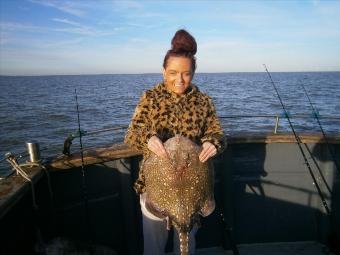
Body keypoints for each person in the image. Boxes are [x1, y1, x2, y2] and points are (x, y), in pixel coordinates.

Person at [124, 29, 225, 255]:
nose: (179, 80)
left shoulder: (203, 101)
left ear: (193, 73)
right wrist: (147, 138)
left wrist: (213, 143)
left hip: (193, 186)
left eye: (186, 74)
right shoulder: (150, 98)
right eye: (172, 72)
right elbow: (132, 133)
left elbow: (217, 133)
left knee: (188, 243)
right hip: (156, 185)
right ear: (163, 71)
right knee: (154, 247)